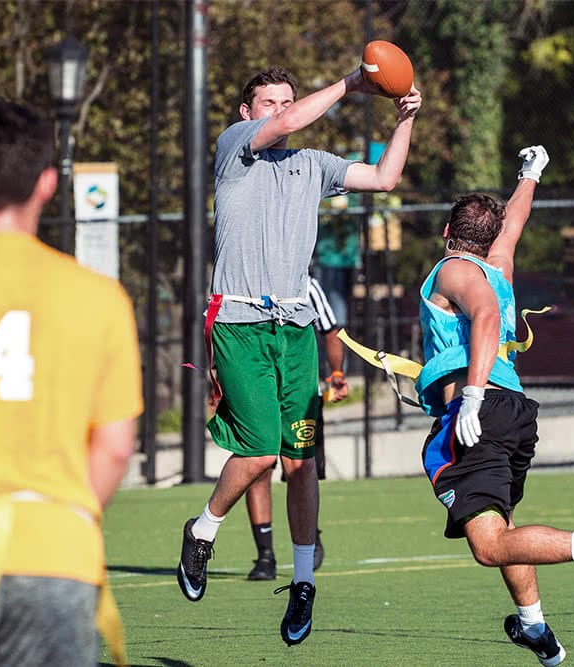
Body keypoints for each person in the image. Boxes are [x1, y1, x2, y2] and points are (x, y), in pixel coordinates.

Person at [176, 66, 420, 648]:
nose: (280, 110)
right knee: (260, 452)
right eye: (267, 102)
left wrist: (406, 118)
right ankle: (204, 529)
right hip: (240, 323)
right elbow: (284, 123)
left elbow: (386, 178)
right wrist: (349, 85)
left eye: (286, 100)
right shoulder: (235, 149)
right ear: (246, 111)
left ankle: (304, 580)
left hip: (295, 329)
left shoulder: (311, 164)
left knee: (301, 460)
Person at [416, 146, 574, 667]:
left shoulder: (454, 270)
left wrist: (472, 396)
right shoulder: (497, 264)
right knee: (500, 527)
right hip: (514, 413)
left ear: (446, 234)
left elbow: (481, 317)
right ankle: (533, 626)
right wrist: (530, 174)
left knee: (487, 545)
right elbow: (515, 222)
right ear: (490, 237)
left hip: (479, 411)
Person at [0, 97, 142, 667]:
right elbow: (116, 446)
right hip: (57, 552)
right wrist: (61, 517)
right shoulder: (100, 297)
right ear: (48, 183)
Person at [246, 275, 349, 581]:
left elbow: (331, 331)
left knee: (301, 469)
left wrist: (337, 373)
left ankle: (309, 534)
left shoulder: (307, 284)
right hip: (260, 392)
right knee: (258, 466)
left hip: (301, 395)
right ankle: (265, 555)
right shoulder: (246, 284)